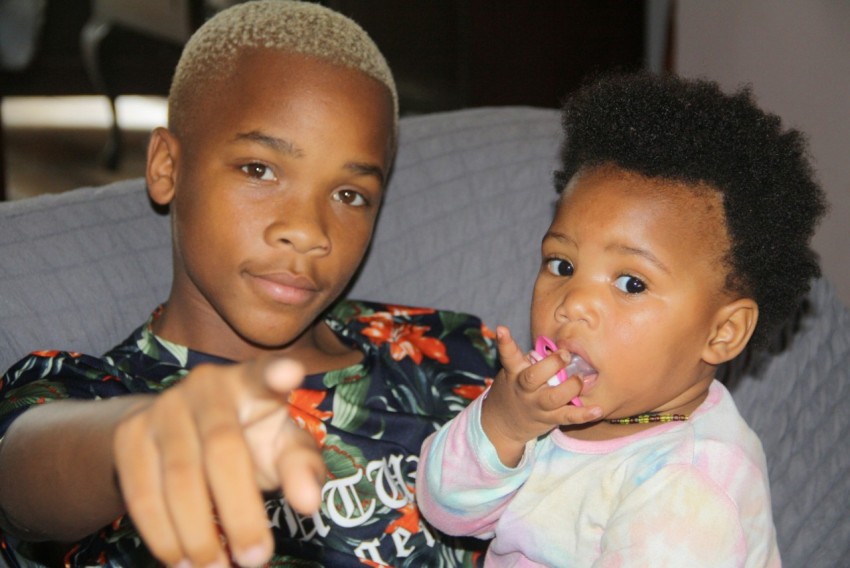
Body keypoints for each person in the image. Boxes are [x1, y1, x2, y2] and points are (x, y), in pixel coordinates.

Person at [0, 2, 495, 567]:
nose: (308, 232)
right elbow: (22, 478)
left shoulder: (447, 351)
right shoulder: (97, 395)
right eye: (259, 169)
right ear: (167, 167)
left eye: (350, 195)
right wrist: (143, 438)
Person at [416, 72, 827, 566]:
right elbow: (446, 511)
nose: (572, 303)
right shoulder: (539, 405)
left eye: (631, 283)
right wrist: (505, 425)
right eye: (562, 266)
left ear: (723, 332)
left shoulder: (687, 490)